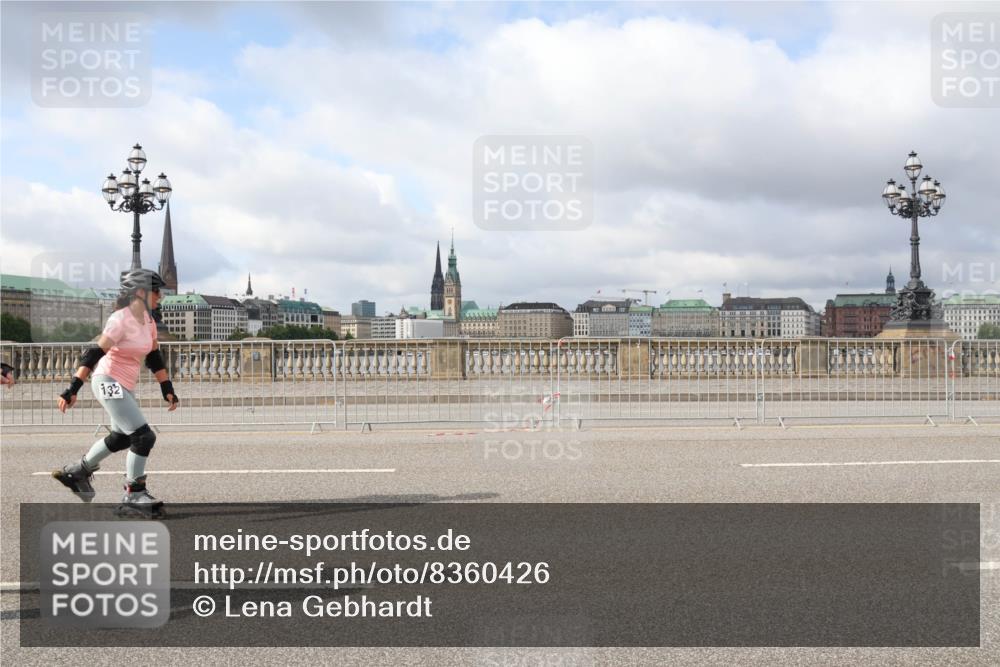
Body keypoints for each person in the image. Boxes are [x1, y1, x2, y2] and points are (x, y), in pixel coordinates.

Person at [54, 268, 179, 516]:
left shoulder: (149, 321)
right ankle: (134, 494)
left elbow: (154, 356)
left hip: (124, 385)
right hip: (107, 380)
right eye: (156, 291)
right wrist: (72, 389)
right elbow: (93, 354)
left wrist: (167, 388)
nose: (160, 297)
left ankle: (78, 471)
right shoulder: (120, 319)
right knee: (143, 437)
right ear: (141, 292)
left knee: (122, 437)